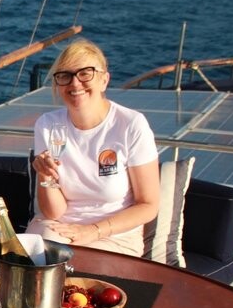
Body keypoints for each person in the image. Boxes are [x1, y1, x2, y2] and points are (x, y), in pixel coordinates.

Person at [29, 38, 160, 256]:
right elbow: (54, 212)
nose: (75, 84)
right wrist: (45, 177)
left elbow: (148, 205)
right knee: (35, 263)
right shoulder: (48, 125)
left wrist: (94, 231)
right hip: (59, 227)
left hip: (114, 234)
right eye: (65, 76)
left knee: (83, 269)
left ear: (104, 80)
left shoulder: (131, 125)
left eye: (85, 73)